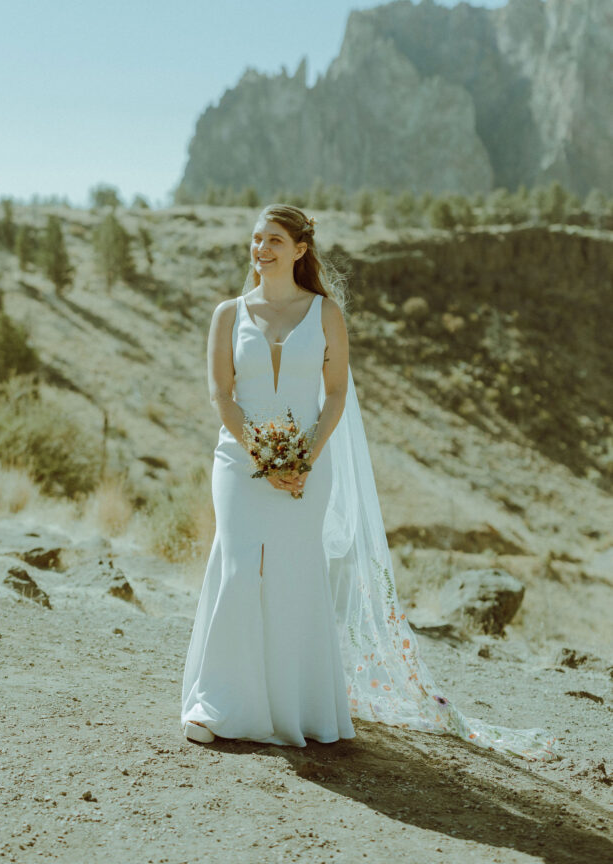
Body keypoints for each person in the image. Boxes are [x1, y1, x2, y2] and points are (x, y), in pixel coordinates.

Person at [181, 204, 561, 761]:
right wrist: (261, 451)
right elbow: (222, 394)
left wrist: (304, 457)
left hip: (311, 461)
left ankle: (297, 708)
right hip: (239, 463)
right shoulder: (228, 313)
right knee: (238, 566)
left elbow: (334, 394)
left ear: (300, 249)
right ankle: (216, 705)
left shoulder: (325, 313)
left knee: (294, 572)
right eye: (256, 240)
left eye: (274, 241)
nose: (261, 250)